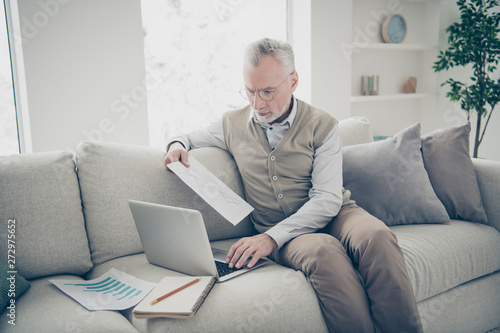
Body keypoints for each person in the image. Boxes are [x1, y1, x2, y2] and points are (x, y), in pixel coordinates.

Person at [164, 37, 423, 333]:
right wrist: (176, 145)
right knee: (324, 252)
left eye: (267, 91)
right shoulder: (231, 124)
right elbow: (187, 137)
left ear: (293, 81)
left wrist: (269, 239)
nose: (257, 103)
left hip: (337, 212)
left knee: (377, 235)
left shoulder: (322, 125)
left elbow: (327, 200)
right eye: (249, 91)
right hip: (281, 228)